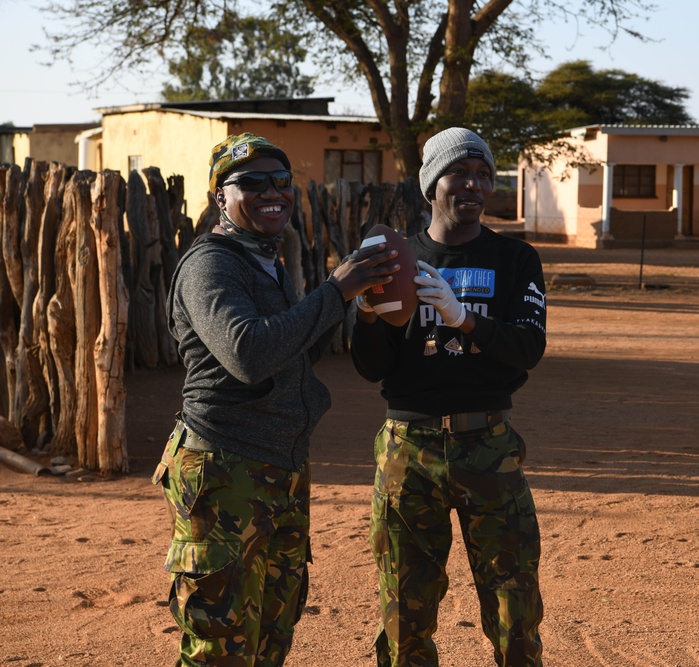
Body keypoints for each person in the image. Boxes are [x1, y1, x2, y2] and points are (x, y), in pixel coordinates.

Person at [152, 132, 398, 666]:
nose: (274, 193)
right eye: (254, 183)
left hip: (279, 467)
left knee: (269, 632)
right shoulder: (209, 266)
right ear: (221, 195)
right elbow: (249, 354)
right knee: (219, 644)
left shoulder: (269, 261)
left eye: (283, 182)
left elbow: (291, 348)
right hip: (224, 470)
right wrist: (335, 293)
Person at [350, 127, 547, 666]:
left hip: (489, 443)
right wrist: (368, 311)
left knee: (515, 605)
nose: (474, 185)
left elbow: (528, 346)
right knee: (404, 608)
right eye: (460, 172)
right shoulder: (397, 258)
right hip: (407, 450)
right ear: (431, 183)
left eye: (484, 174)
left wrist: (466, 319)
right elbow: (372, 367)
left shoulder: (515, 260)